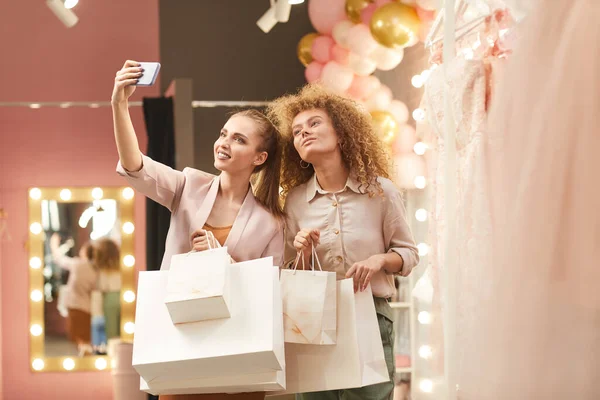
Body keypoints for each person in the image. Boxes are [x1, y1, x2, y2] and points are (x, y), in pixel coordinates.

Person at [111, 60, 284, 400]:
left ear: (259, 158)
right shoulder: (189, 185)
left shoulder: (271, 222)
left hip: (238, 354)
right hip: (181, 345)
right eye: (223, 134)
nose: (224, 143)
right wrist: (119, 102)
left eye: (238, 139)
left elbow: (269, 293)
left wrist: (219, 258)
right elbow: (135, 165)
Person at [267, 84, 419, 400]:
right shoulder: (294, 201)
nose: (303, 133)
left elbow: (409, 254)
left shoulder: (381, 191)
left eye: (313, 124)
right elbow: (287, 270)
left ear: (341, 133)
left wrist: (379, 260)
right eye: (296, 131)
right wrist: (302, 252)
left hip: (370, 317)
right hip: (312, 320)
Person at [50, 233, 97, 356]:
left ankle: (84, 353)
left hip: (76, 306)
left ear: (85, 252)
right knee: (85, 338)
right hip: (88, 308)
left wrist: (53, 244)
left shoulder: (78, 265)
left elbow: (59, 259)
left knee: (78, 337)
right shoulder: (95, 270)